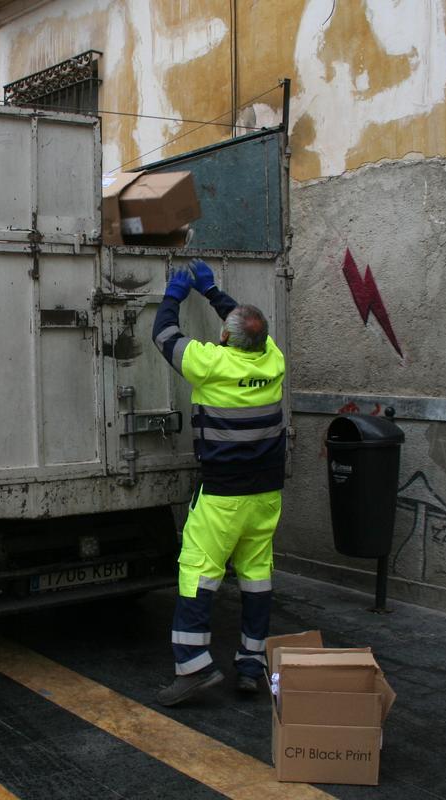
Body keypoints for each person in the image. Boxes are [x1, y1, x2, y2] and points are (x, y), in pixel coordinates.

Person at [151, 259, 287, 707]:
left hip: (223, 496)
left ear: (226, 337)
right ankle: (251, 664)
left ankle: (193, 666)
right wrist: (213, 293)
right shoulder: (273, 360)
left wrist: (175, 292)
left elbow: (163, 334)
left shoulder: (210, 364)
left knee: (198, 573)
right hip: (266, 496)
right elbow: (249, 328)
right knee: (256, 575)